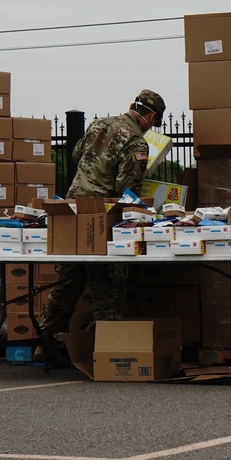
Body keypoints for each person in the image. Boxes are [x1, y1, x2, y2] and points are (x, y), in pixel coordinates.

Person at [37, 89, 166, 366]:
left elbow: (74, 155)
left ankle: (45, 341)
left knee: (68, 281)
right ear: (152, 117)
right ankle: (104, 349)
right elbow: (126, 188)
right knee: (109, 282)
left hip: (71, 213)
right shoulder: (136, 142)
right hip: (101, 216)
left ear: (132, 106)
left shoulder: (99, 123)